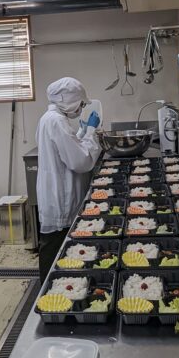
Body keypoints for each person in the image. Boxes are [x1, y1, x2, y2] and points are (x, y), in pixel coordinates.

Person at [35, 77, 102, 279]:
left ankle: (54, 285)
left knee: (53, 245)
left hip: (54, 192)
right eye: (80, 104)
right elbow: (80, 161)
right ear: (69, 101)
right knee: (55, 249)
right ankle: (50, 289)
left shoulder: (49, 118)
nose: (81, 108)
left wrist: (81, 132)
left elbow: (67, 148)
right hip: (60, 196)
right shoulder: (57, 121)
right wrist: (91, 132)